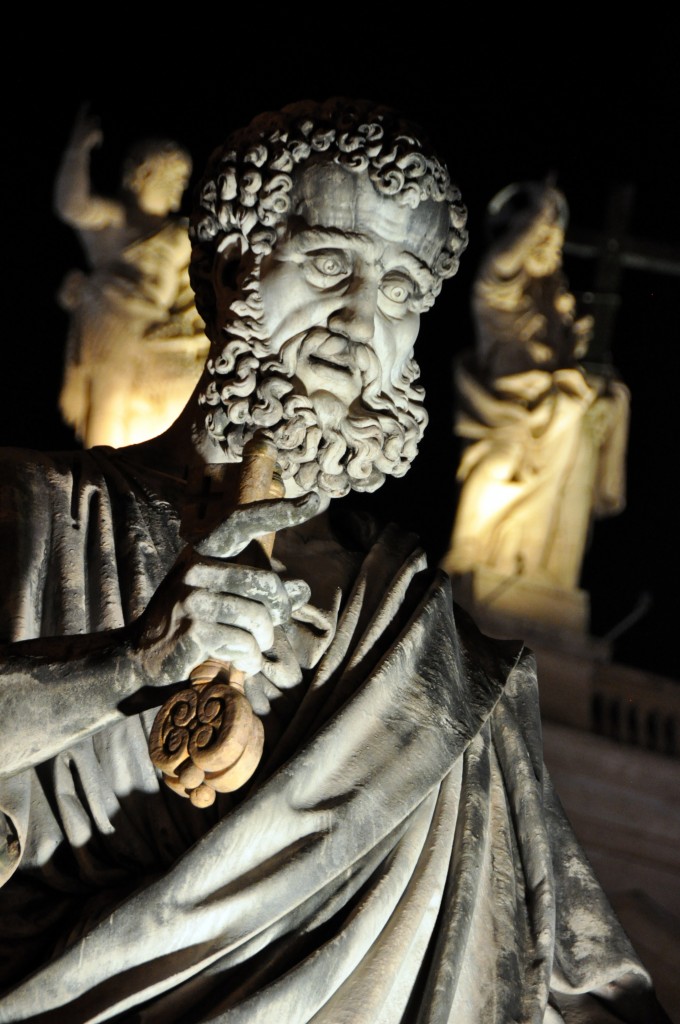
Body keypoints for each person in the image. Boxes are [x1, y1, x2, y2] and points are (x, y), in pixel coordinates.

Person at [0, 100, 669, 1023]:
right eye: (328, 263)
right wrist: (129, 666)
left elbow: (561, 974)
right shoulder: (36, 513)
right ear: (226, 268)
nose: (362, 320)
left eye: (400, 292)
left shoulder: (431, 650)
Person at [442, 182, 630, 612]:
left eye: (554, 244)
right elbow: (502, 262)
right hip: (504, 412)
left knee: (565, 476)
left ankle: (539, 573)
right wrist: (539, 216)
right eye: (538, 242)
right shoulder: (497, 295)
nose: (548, 248)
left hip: (557, 415)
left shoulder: (555, 315)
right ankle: (471, 554)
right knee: (497, 468)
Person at [54, 105, 209, 448]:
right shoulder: (118, 220)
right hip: (113, 317)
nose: (177, 191)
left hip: (156, 322)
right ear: (144, 175)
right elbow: (72, 206)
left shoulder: (178, 233)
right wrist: (77, 150)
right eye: (171, 180)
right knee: (109, 390)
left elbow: (194, 284)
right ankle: (102, 464)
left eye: (182, 184)